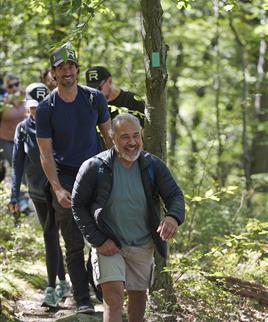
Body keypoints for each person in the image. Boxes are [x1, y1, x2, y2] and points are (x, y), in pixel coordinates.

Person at [72, 113, 185, 322]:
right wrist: (99, 240)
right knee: (114, 299)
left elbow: (174, 195)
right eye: (125, 137)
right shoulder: (95, 167)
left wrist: (173, 217)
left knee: (138, 299)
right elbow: (77, 205)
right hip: (109, 243)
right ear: (112, 138)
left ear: (141, 136)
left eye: (136, 136)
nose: (132, 142)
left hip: (142, 243)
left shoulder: (153, 165)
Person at [35, 42, 112, 313]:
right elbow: (45, 154)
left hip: (96, 172)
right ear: (53, 74)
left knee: (103, 233)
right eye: (60, 67)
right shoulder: (47, 107)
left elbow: (109, 137)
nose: (67, 71)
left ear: (77, 69)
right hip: (66, 177)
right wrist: (56, 189)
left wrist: (120, 174)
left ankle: (104, 291)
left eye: (71, 66)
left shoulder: (94, 98)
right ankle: (82, 301)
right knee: (73, 242)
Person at [9, 82, 71, 308]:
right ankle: (64, 282)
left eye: (41, 106)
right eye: (34, 107)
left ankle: (51, 290)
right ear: (27, 105)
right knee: (52, 236)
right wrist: (14, 196)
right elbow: (17, 164)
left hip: (57, 190)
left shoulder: (57, 125)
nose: (37, 111)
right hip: (36, 191)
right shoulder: (23, 129)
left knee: (50, 234)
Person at [0, 74, 29, 211]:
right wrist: (6, 103)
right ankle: (21, 203)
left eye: (16, 84)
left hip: (24, 140)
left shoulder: (27, 98)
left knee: (26, 169)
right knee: (18, 168)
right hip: (7, 141)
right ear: (7, 87)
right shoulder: (2, 102)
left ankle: (20, 198)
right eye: (11, 86)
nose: (14, 87)